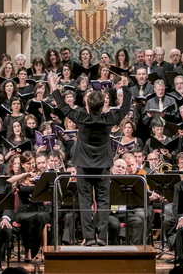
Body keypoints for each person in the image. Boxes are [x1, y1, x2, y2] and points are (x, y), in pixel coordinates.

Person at [49, 71, 131, 246]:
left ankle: (88, 238)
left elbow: (63, 106)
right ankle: (101, 238)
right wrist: (124, 86)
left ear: (87, 104)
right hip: (102, 166)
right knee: (103, 201)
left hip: (84, 165)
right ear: (102, 106)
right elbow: (125, 108)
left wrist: (53, 87)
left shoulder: (81, 117)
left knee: (85, 201)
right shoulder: (109, 118)